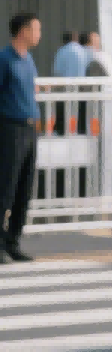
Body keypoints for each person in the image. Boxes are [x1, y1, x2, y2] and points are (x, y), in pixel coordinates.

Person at [0, 13, 43, 263]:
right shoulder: (5, 59)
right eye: (36, 30)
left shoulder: (29, 59)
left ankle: (13, 241)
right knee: (6, 187)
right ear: (23, 31)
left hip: (29, 128)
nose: (39, 35)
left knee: (24, 188)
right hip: (10, 128)